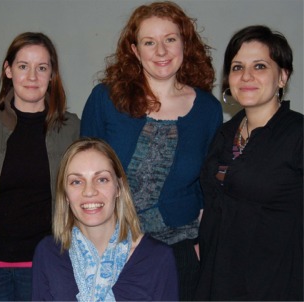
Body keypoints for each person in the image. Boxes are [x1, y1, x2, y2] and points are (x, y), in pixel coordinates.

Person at [80, 2, 222, 300]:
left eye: (170, 39)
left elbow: (209, 188)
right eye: (149, 42)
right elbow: (80, 178)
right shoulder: (105, 99)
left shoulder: (208, 110)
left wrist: (199, 248)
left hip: (179, 253)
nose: (161, 51)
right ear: (134, 50)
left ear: (185, 43)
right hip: (110, 250)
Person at [0, 32, 80, 301]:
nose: (32, 76)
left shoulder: (71, 128)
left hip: (46, 263)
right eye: (23, 66)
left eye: (42, 68)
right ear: (8, 70)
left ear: (52, 74)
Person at [195, 25, 303, 301]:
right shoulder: (224, 133)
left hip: (274, 286)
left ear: (283, 76)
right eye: (237, 67)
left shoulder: (297, 134)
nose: (246, 76)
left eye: (260, 66)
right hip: (216, 282)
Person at [32, 137, 179, 301]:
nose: (89, 191)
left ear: (118, 187)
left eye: (102, 179)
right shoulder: (48, 253)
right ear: (65, 194)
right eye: (76, 181)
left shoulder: (157, 258)